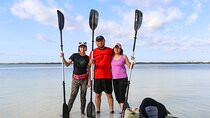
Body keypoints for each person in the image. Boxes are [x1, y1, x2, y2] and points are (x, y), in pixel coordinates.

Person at [60, 42, 90, 115]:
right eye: (81, 47)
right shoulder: (74, 55)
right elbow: (67, 64)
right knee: (72, 96)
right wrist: (63, 57)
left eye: (84, 47)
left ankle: (82, 112)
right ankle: (67, 111)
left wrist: (89, 81)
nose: (82, 48)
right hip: (75, 79)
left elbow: (89, 70)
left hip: (84, 79)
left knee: (83, 96)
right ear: (79, 48)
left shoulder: (88, 58)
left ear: (86, 48)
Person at [89, 35, 114, 114]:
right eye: (98, 41)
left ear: (104, 41)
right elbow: (89, 65)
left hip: (108, 76)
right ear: (96, 42)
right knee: (97, 95)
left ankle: (111, 111)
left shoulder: (110, 50)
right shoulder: (93, 52)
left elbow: (117, 58)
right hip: (97, 77)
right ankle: (98, 110)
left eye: (102, 40)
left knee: (109, 95)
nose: (100, 42)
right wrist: (91, 62)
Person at [111, 43, 135, 112]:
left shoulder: (123, 56)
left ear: (120, 49)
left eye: (118, 48)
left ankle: (122, 111)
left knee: (122, 95)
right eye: (115, 48)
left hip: (123, 78)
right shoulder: (111, 57)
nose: (116, 49)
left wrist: (133, 61)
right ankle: (124, 108)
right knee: (117, 96)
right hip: (114, 79)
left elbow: (130, 67)